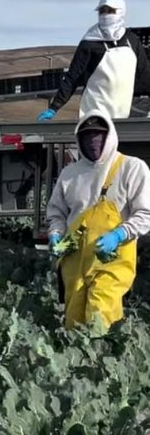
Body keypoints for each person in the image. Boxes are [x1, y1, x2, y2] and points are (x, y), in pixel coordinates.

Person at [46, 107, 150, 331]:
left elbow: (145, 214)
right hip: (73, 261)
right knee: (73, 322)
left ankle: (102, 362)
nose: (93, 142)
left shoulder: (132, 168)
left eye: (98, 135)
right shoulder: (70, 174)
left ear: (109, 135)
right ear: (79, 139)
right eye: (87, 136)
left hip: (112, 258)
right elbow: (56, 212)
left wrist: (119, 234)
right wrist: (56, 235)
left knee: (100, 314)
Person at [38, 0, 150, 122]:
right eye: (102, 11)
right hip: (94, 115)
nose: (106, 15)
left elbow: (144, 73)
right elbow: (73, 77)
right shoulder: (89, 43)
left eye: (110, 11)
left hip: (122, 114)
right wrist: (54, 107)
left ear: (121, 12)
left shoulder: (132, 40)